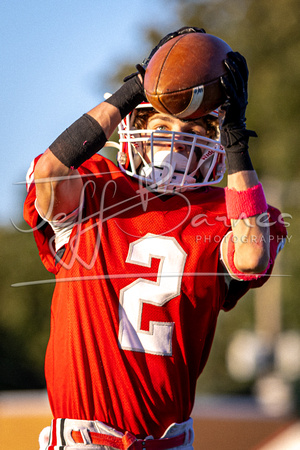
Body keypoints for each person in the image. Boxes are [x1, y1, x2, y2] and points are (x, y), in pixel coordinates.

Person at [24, 27, 287, 450]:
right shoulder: (95, 188)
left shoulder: (222, 210)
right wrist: (135, 87)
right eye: (163, 121)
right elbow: (50, 174)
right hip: (84, 440)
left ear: (213, 140)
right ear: (133, 125)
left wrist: (237, 138)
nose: (176, 138)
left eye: (193, 129)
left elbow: (252, 254)